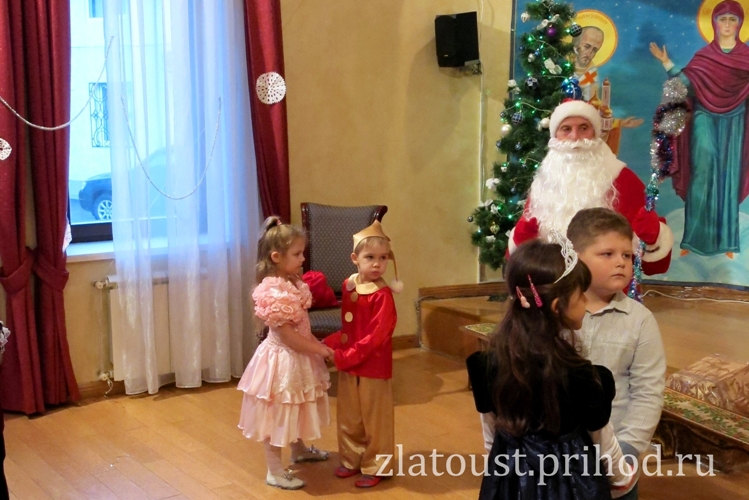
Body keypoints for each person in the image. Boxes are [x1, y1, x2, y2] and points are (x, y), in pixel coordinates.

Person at [468, 238, 634, 499]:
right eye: (581, 294)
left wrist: (499, 475)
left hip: (511, 480)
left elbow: (491, 433)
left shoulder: (486, 366)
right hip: (570, 484)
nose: (586, 301)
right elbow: (603, 441)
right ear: (558, 307)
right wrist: (622, 478)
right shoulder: (583, 376)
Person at [508, 99, 674, 276]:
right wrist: (522, 242)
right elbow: (518, 265)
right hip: (552, 288)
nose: (575, 137)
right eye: (566, 129)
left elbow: (654, 267)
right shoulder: (544, 183)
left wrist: (652, 239)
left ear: (595, 133)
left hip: (607, 290)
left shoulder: (622, 179)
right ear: (555, 136)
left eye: (583, 128)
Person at [567, 208, 667, 500]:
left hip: (616, 456)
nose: (621, 262)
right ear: (574, 257)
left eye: (627, 255)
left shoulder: (640, 320)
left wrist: (629, 448)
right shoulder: (556, 313)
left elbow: (648, 391)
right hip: (558, 452)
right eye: (607, 254)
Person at [237, 217, 334, 490]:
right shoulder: (273, 291)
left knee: (296, 405)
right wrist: (319, 348)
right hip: (281, 360)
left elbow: (300, 329)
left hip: (297, 357)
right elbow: (288, 337)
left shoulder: (292, 281)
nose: (303, 259)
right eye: (297, 254)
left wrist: (314, 345)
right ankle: (275, 470)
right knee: (278, 413)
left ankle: (298, 449)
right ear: (276, 257)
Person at [649, 0, 749, 258]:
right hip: (704, 118)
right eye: (722, 19)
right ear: (714, 23)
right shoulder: (704, 56)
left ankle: (726, 242)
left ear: (740, 24)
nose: (727, 24)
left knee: (728, 177)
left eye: (733, 19)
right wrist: (667, 62)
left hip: (734, 122)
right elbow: (686, 84)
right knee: (702, 172)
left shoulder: (746, 58)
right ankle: (693, 240)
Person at [323, 220, 400, 488]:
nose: (377, 264)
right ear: (355, 259)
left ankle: (377, 463)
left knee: (375, 418)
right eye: (370, 257)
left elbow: (375, 337)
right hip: (350, 361)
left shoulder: (382, 295)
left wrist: (345, 356)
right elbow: (350, 328)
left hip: (372, 366)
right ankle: (351, 458)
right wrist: (331, 344)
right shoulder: (350, 285)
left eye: (383, 258)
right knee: (350, 414)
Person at [573, 26, 604, 100]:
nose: (589, 53)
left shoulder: (592, 74)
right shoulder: (563, 65)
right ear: (576, 45)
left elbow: (592, 101)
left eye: (594, 50)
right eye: (587, 47)